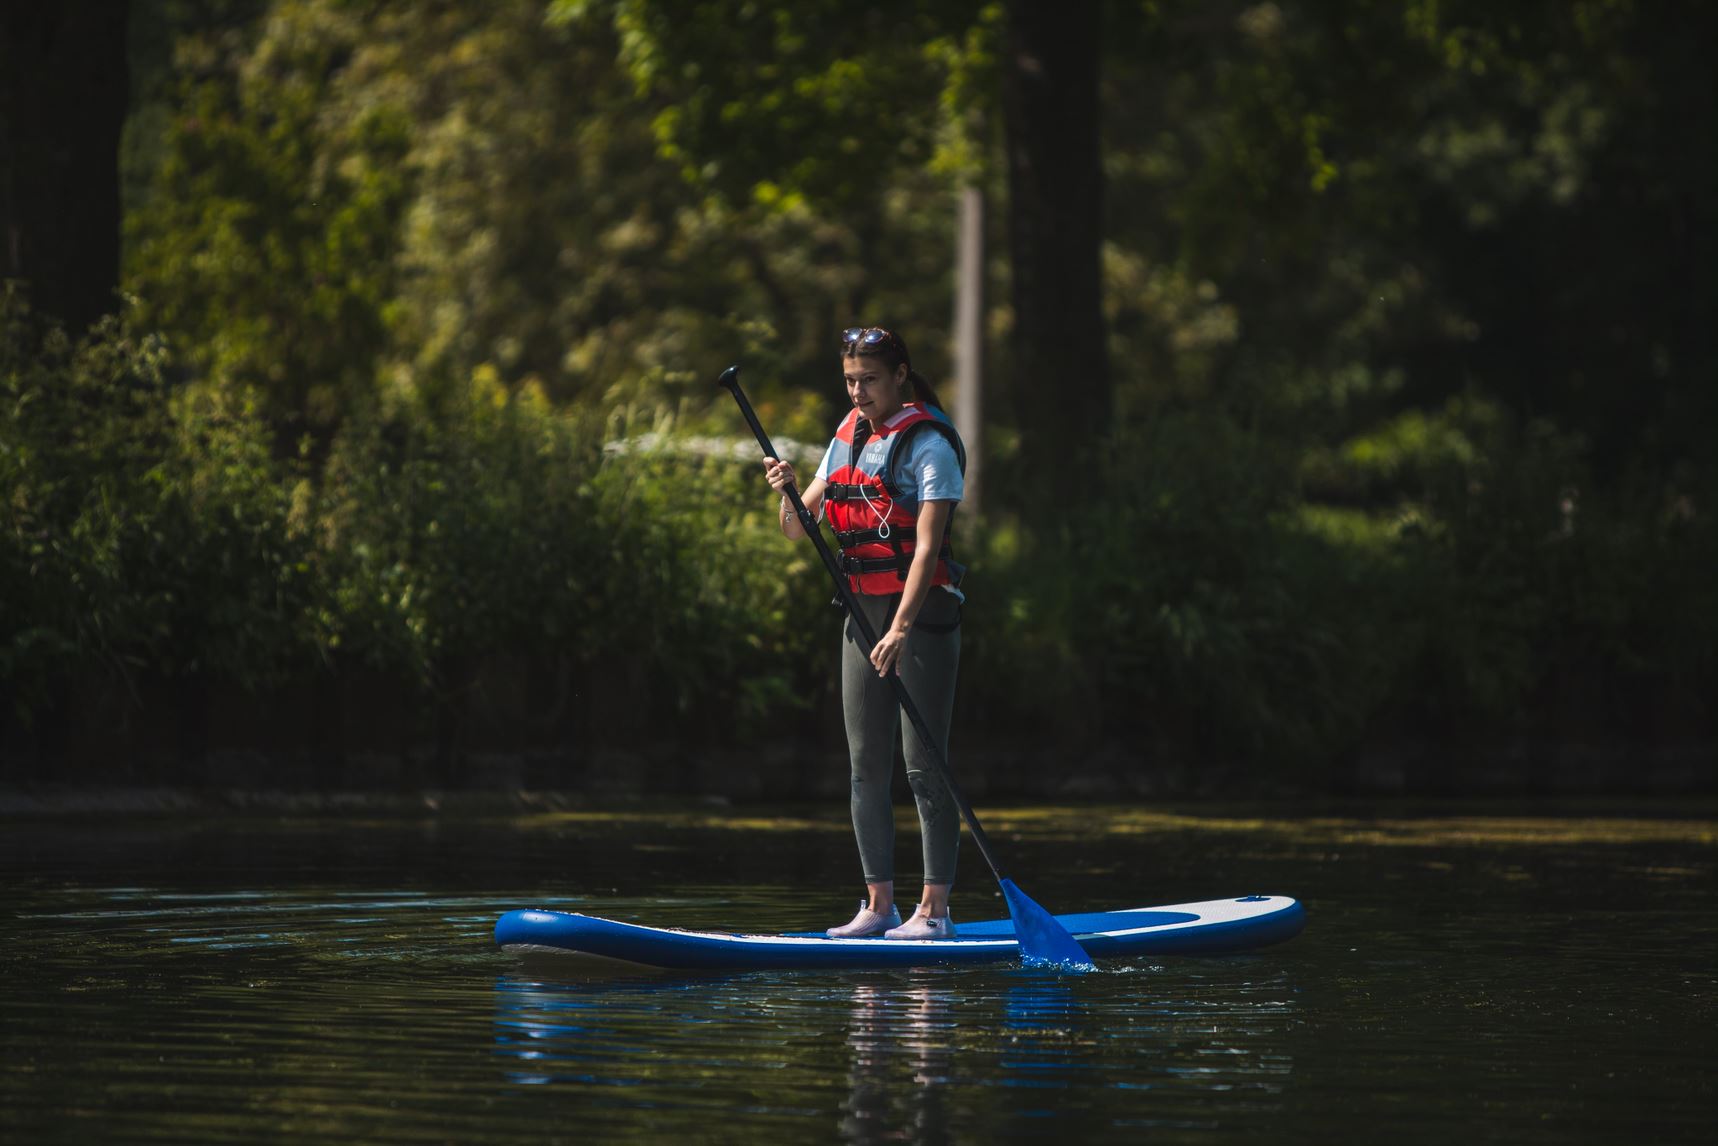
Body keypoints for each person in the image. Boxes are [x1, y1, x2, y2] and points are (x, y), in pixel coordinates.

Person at [762, 326, 967, 941]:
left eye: (869, 380)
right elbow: (798, 529)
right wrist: (789, 492)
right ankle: (879, 907)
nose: (858, 392)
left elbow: (928, 549)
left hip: (921, 615)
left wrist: (902, 627)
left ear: (900, 374)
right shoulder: (845, 436)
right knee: (864, 765)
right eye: (850, 380)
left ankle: (934, 912)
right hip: (861, 614)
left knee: (924, 765)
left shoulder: (930, 444)